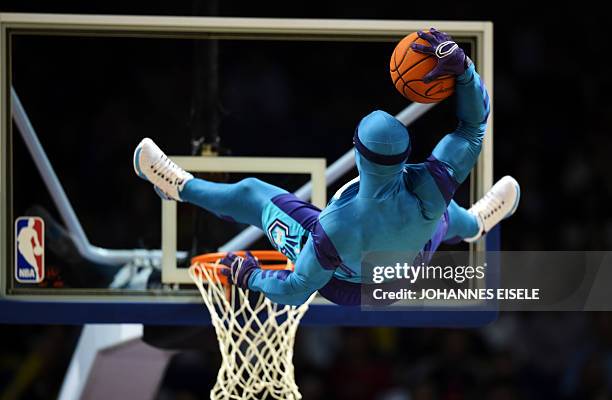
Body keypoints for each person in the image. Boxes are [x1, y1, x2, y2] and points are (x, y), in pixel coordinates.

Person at [133, 29, 520, 306]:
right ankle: (477, 223)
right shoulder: (428, 186)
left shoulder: (336, 225)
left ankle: (179, 187)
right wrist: (464, 69)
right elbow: (473, 127)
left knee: (254, 194)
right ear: (406, 156)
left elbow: (297, 288)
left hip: (347, 284)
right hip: (402, 275)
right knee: (443, 214)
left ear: (356, 152)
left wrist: (249, 275)